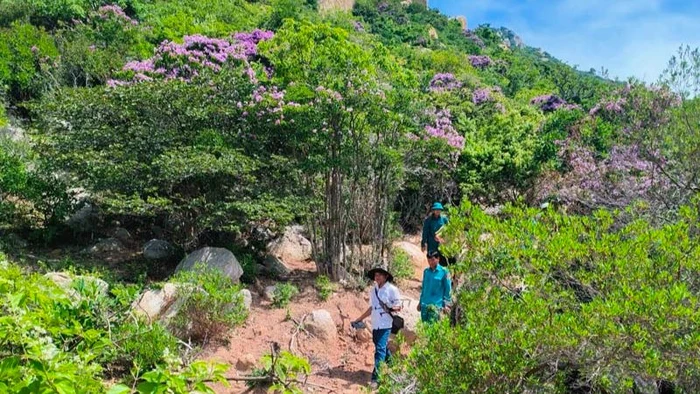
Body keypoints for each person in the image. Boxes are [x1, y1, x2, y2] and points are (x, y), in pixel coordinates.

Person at [352, 266, 402, 388]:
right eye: (376, 275)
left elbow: (399, 306)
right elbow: (371, 308)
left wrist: (391, 308)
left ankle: (376, 378)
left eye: (380, 274)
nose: (377, 277)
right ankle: (392, 365)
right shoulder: (373, 290)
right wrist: (359, 318)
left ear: (385, 276)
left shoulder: (392, 289)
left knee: (379, 350)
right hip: (376, 323)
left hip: (386, 323)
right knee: (382, 347)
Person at [418, 250, 452, 322]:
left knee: (432, 329)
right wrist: (420, 302)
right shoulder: (426, 272)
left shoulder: (444, 272)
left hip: (436, 305)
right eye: (429, 260)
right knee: (424, 329)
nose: (431, 262)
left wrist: (446, 304)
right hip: (424, 304)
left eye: (433, 260)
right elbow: (424, 288)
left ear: (438, 259)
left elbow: (448, 289)